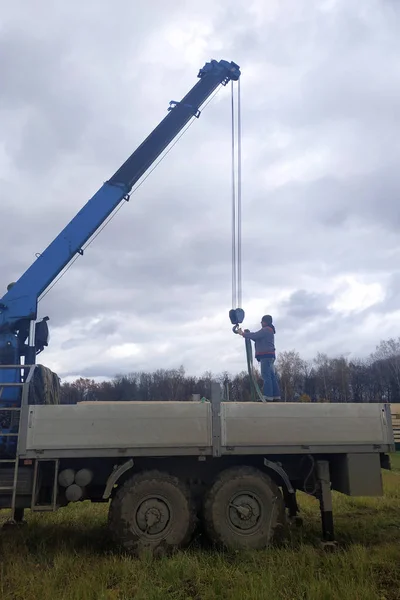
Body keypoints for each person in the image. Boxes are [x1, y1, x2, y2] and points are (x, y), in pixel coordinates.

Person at [237, 315, 281, 402]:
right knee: (272, 376)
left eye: (262, 321)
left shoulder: (265, 330)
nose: (261, 323)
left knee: (266, 376)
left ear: (265, 322)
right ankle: (276, 396)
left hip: (265, 356)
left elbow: (256, 335)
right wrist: (246, 335)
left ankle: (268, 397)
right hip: (270, 356)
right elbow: (257, 338)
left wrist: (243, 333)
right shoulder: (270, 331)